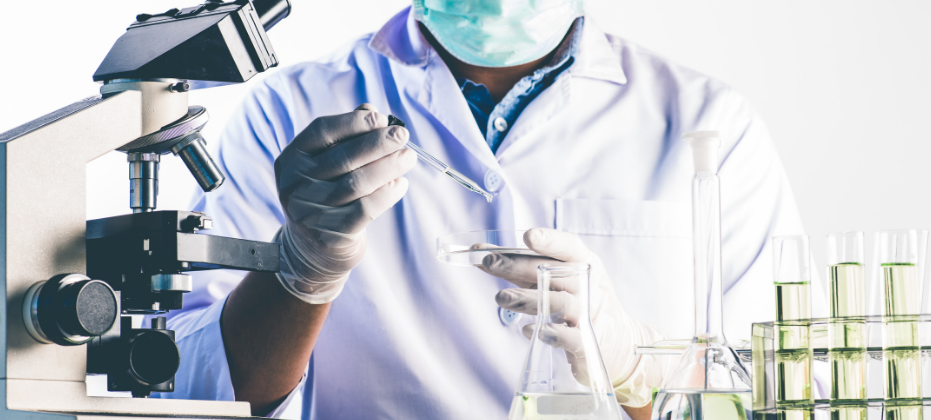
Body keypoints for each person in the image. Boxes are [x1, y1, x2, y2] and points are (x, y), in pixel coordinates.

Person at [162, 1, 814, 419]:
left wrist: (633, 370)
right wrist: (299, 268)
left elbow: (783, 399)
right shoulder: (287, 109)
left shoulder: (706, 122)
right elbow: (199, 395)